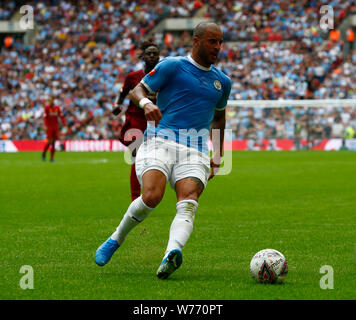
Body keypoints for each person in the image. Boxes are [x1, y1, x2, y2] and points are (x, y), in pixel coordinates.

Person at [95, 22, 231, 279]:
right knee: (152, 196)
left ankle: (172, 253)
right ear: (196, 41)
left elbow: (219, 119)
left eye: (220, 42)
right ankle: (115, 239)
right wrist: (146, 103)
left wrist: (218, 155)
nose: (217, 47)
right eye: (212, 41)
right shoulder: (172, 65)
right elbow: (138, 90)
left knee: (188, 201)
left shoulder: (222, 82)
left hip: (197, 150)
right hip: (160, 141)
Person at [112, 41, 160, 201]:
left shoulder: (164, 76)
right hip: (136, 121)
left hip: (155, 122)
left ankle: (149, 193)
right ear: (143, 56)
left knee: (155, 159)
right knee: (137, 155)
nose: (152, 56)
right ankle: (135, 198)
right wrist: (117, 104)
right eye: (149, 53)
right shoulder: (133, 77)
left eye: (155, 53)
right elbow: (123, 91)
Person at [42, 97, 66, 162]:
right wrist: (45, 125)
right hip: (49, 127)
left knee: (54, 143)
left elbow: (61, 116)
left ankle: (51, 158)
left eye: (50, 101)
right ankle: (44, 153)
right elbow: (45, 118)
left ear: (53, 101)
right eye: (48, 101)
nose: (49, 102)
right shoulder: (47, 108)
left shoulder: (57, 108)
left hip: (55, 127)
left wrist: (65, 124)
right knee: (50, 142)